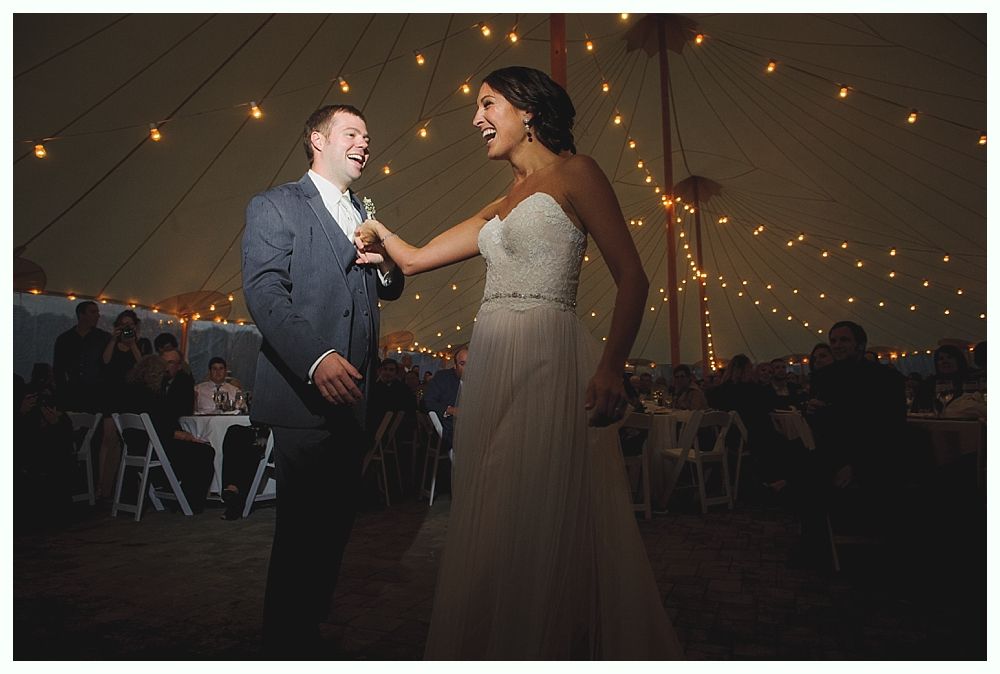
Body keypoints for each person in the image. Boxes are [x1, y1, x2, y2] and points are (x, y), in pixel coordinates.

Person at [357, 66, 680, 659]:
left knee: (533, 500)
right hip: (493, 357)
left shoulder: (576, 174)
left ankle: (548, 642)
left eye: (487, 105)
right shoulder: (503, 199)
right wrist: (378, 233)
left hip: (546, 353)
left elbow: (633, 277)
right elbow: (418, 257)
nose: (477, 119)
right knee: (491, 504)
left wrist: (611, 367)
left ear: (527, 110)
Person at [241, 103, 404, 657]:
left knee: (334, 525)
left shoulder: (364, 210)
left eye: (368, 135)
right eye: (353, 132)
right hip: (302, 394)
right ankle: (283, 643)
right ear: (318, 138)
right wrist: (316, 358)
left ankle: (307, 628)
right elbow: (264, 292)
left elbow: (387, 288)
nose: (365, 142)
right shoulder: (276, 205)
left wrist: (383, 260)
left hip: (353, 400)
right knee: (301, 530)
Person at [119, 355, 215, 513]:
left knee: (195, 450)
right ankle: (191, 501)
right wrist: (187, 437)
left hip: (137, 447)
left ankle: (180, 494)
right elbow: (163, 428)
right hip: (155, 449)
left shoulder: (130, 392)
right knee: (204, 452)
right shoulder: (151, 396)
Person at [53, 300, 111, 413]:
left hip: (97, 393)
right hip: (73, 392)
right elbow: (58, 369)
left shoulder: (104, 337)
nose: (98, 316)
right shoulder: (65, 339)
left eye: (97, 312)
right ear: (81, 314)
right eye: (93, 312)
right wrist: (62, 391)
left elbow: (108, 365)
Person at [422, 344, 468, 451]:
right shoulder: (443, 378)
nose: (468, 368)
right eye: (462, 364)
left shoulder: (479, 380)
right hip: (451, 431)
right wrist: (450, 410)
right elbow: (426, 402)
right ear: (455, 366)